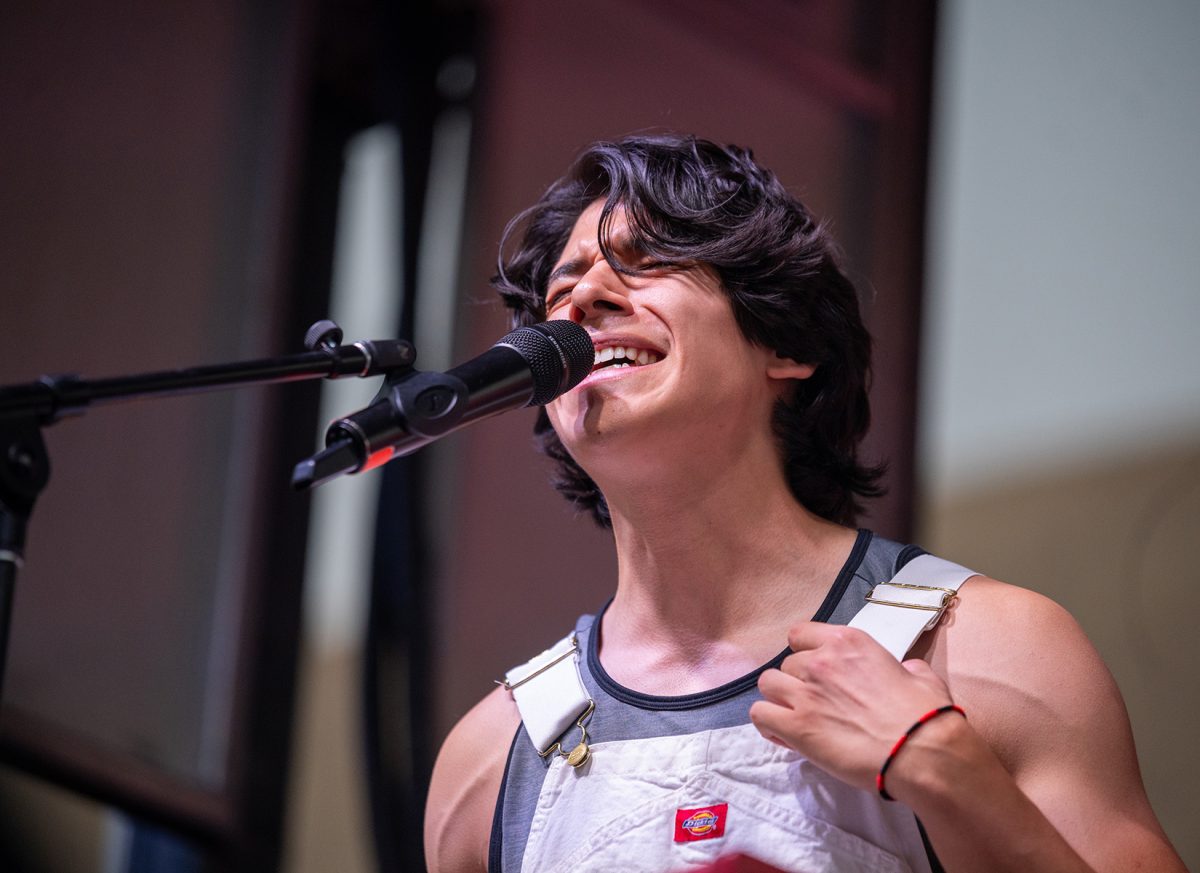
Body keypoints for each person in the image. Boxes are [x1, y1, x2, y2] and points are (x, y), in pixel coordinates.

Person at [423, 133, 1185, 873]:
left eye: (648, 263)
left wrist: (945, 768)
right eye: (565, 286)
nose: (585, 295)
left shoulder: (992, 650)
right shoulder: (489, 760)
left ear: (785, 344)